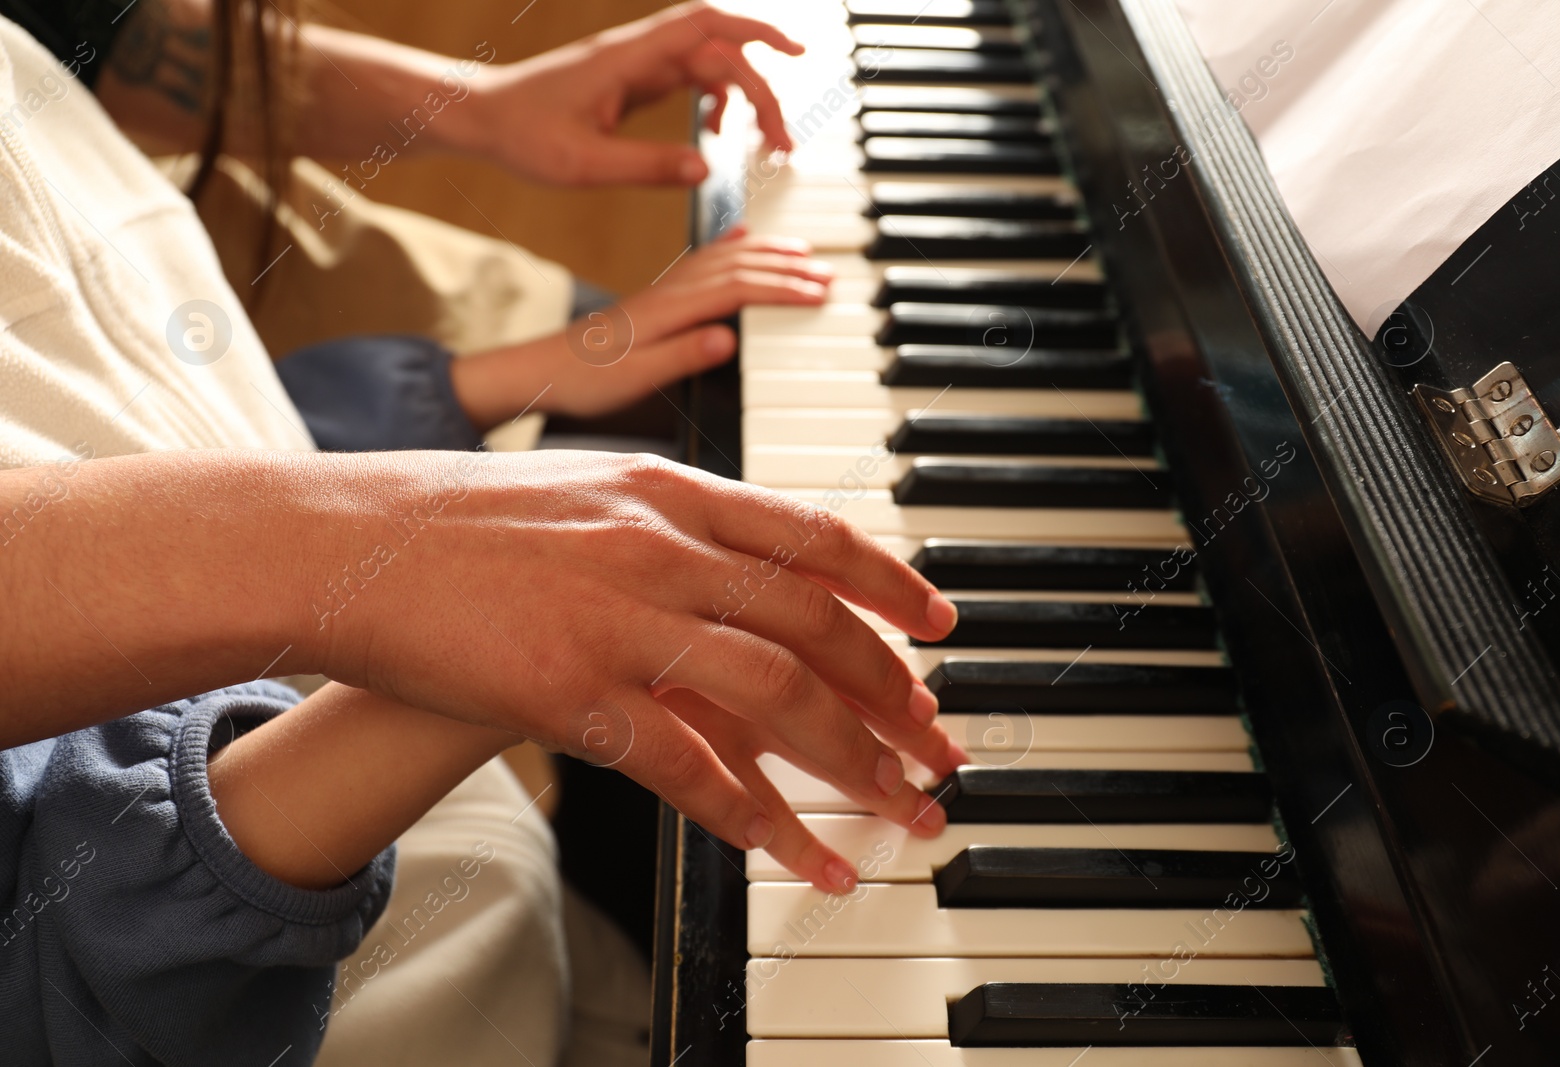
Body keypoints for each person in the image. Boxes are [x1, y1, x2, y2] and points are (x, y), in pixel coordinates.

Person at [0, 3, 963, 1064]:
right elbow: (75, 944)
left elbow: (179, 411)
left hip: (463, 869)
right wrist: (403, 555)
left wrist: (473, 112)